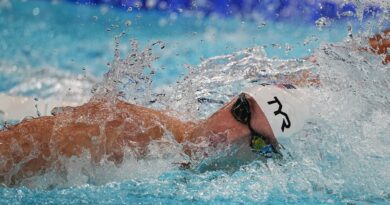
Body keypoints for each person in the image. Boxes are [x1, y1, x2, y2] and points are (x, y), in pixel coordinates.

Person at [0, 29, 389, 185]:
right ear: (232, 99)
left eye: (257, 143)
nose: (229, 135)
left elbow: (341, 72)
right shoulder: (128, 134)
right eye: (240, 112)